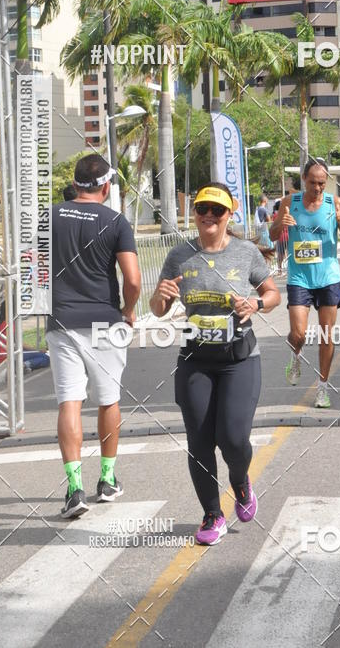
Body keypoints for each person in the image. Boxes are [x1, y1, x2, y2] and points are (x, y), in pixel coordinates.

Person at [150, 182, 280, 546]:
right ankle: (211, 514)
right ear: (194, 214)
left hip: (239, 359)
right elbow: (158, 309)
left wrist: (256, 304)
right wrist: (160, 297)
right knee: (200, 442)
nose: (208, 215)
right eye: (201, 209)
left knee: (234, 439)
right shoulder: (180, 255)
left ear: (229, 215)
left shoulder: (244, 253)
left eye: (216, 210)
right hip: (195, 359)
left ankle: (240, 482)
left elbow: (273, 294)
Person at [45, 155, 141, 519]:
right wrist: (129, 311)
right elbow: (132, 280)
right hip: (105, 320)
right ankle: (107, 479)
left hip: (62, 321)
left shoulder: (49, 216)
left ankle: (73, 488)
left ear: (75, 183)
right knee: (108, 399)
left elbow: (32, 268)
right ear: (105, 186)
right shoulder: (116, 221)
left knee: (69, 402)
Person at [269, 157, 340, 409]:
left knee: (326, 335)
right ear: (304, 180)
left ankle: (323, 387)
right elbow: (274, 235)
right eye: (313, 182)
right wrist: (279, 225)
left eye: (322, 183)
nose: (318, 188)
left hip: (327, 278)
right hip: (299, 278)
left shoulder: (335, 203)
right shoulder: (290, 202)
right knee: (298, 334)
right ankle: (296, 355)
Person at [272, 198, 288, 276]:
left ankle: (280, 270)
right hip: (287, 236)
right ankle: (285, 269)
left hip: (280, 237)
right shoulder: (285, 214)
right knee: (289, 253)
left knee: (280, 255)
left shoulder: (275, 215)